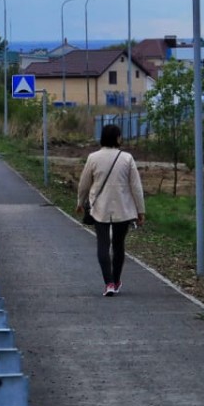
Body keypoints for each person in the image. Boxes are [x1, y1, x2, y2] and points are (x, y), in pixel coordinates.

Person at [76, 123, 145, 296]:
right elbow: (136, 187)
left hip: (100, 207)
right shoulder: (127, 158)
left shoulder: (93, 157)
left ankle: (108, 284)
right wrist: (140, 210)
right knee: (119, 245)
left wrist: (80, 201)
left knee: (103, 244)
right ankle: (116, 280)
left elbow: (84, 183)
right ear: (117, 138)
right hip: (123, 208)